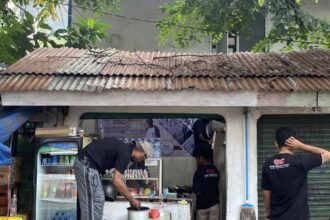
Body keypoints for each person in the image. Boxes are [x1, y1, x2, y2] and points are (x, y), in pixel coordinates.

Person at [74, 138, 153, 220]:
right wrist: (132, 200)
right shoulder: (125, 152)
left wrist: (125, 189)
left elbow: (117, 178)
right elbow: (117, 180)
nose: (140, 161)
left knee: (99, 199)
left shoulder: (125, 150)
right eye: (143, 158)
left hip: (90, 166)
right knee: (92, 202)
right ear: (141, 153)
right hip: (86, 163)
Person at [261, 127, 330, 220]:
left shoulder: (267, 164)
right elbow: (327, 154)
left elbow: (266, 193)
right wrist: (301, 146)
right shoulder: (300, 161)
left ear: (276, 144)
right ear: (294, 142)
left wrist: (268, 215)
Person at [192, 147, 220, 220]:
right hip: (215, 206)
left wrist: (189, 189)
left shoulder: (199, 172)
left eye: (197, 159)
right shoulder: (215, 170)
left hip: (202, 207)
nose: (197, 161)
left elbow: (197, 190)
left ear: (201, 157)